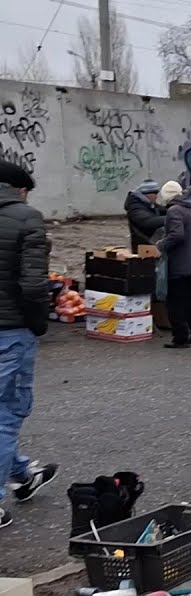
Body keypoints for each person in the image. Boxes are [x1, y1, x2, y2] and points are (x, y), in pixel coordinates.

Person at [0, 162, 58, 522]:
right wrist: (38, 324)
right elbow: (34, 284)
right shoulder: (26, 218)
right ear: (21, 190)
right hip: (10, 330)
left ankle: (22, 475)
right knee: (6, 414)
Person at [156, 181, 191, 349]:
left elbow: (177, 235)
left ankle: (180, 337)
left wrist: (161, 245)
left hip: (180, 266)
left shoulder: (174, 211)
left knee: (175, 303)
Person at [125, 180, 165, 251]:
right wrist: (171, 217)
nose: (157, 196)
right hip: (142, 250)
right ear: (147, 194)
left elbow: (165, 210)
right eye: (155, 193)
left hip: (148, 247)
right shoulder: (135, 208)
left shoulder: (149, 204)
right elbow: (148, 222)